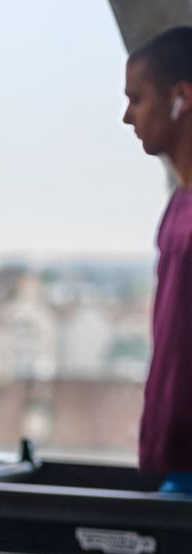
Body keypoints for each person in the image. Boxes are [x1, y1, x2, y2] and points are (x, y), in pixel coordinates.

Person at [122, 26, 192, 494]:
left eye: (138, 98)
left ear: (180, 97)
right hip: (176, 460)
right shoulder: (178, 206)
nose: (128, 117)